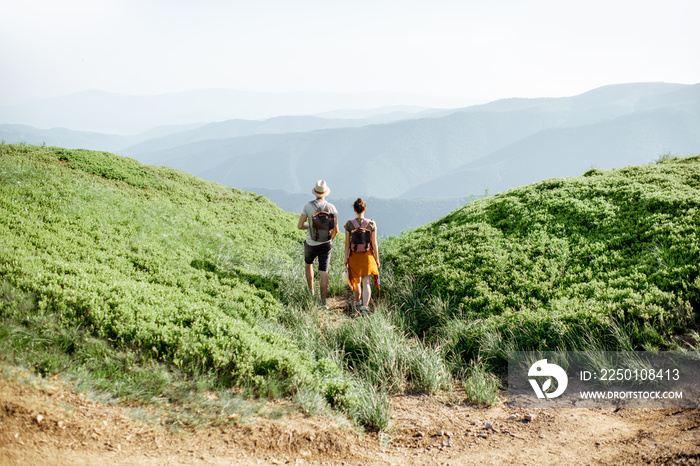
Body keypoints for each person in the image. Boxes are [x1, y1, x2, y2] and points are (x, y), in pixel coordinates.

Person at [297, 180, 339, 307]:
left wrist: (309, 227)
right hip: (326, 243)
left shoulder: (308, 206)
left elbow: (299, 226)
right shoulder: (331, 207)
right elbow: (336, 229)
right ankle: (323, 301)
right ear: (325, 193)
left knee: (308, 264)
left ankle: (311, 292)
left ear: (315, 192)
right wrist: (330, 239)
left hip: (311, 242)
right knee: (323, 271)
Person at [344, 198, 380, 313]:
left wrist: (346, 258)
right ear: (365, 209)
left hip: (354, 256)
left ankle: (357, 302)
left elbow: (347, 244)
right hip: (368, 256)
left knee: (356, 281)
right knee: (366, 282)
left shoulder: (349, 224)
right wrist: (377, 259)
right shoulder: (371, 223)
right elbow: (374, 243)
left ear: (354, 209)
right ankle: (365, 306)